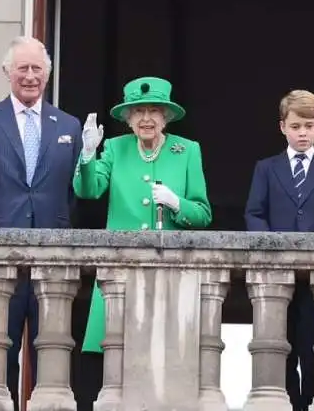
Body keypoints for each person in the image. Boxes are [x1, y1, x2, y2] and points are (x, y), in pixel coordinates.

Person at [73, 76, 212, 401]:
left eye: (154, 111)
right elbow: (88, 190)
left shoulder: (187, 151)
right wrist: (88, 155)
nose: (146, 119)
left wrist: (177, 203)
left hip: (170, 275)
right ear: (127, 118)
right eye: (138, 112)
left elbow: (203, 214)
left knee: (165, 363)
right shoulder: (116, 148)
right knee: (112, 362)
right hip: (120, 274)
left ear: (166, 116)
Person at [0, 36, 82, 411]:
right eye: (23, 68)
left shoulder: (68, 125)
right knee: (0, 349)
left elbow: (74, 190)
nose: (30, 76)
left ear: (47, 74)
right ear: (7, 73)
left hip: (52, 255)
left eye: (37, 69)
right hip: (0, 255)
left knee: (52, 348)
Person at [244, 90, 314, 411]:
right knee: (279, 350)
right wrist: (272, 252)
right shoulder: (266, 168)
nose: (302, 133)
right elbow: (255, 212)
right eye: (295, 126)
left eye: (308, 125)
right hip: (277, 280)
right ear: (282, 128)